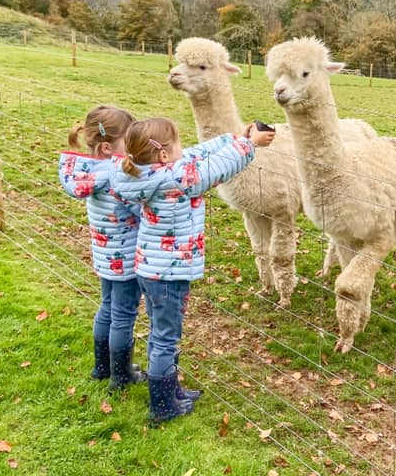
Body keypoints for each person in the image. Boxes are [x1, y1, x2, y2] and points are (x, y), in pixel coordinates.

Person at [111, 116, 276, 423]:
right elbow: (215, 168)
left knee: (162, 333)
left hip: (151, 268)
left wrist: (232, 138)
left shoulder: (143, 172)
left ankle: (171, 392)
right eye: (176, 144)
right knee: (165, 338)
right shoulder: (177, 178)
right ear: (163, 155)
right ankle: (162, 407)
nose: (182, 149)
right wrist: (249, 145)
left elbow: (195, 155)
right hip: (169, 274)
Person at [58, 105, 144, 391]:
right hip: (127, 256)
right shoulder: (118, 175)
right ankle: (120, 376)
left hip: (105, 254)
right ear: (108, 147)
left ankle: (102, 367)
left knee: (107, 308)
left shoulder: (88, 171)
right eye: (127, 142)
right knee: (123, 315)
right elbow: (138, 210)